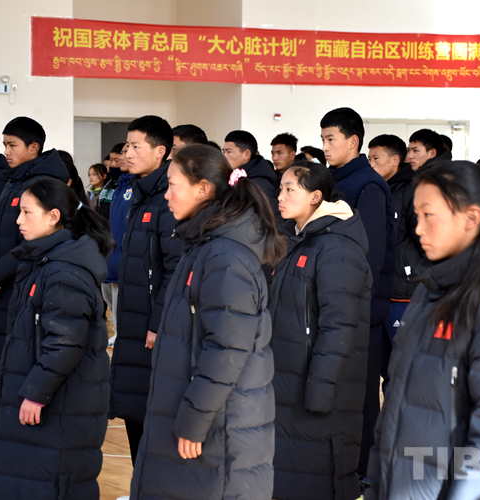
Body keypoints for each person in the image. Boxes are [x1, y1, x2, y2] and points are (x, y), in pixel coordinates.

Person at [366, 161, 480, 499]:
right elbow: (400, 402)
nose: (418, 228)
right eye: (416, 216)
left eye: (429, 215)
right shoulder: (433, 288)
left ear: (471, 217)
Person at [129, 144, 285, 500]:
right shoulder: (204, 244)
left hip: (219, 427)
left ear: (202, 189)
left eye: (173, 185)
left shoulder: (225, 256)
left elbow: (226, 348)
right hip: (206, 417)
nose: (166, 195)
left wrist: (195, 419)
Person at [0, 177, 114, 500]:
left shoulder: (64, 271)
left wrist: (37, 393)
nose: (19, 220)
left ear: (53, 217)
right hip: (36, 393)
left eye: (27, 212)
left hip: (57, 403)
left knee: (47, 482)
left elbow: (65, 341)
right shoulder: (42, 261)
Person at [271, 162, 371, 500]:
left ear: (315, 197)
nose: (280, 196)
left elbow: (339, 326)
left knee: (317, 478)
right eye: (281, 188)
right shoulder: (299, 241)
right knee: (291, 477)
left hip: (318, 391)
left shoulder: (337, 248)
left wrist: (320, 389)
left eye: (290, 190)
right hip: (291, 383)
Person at [320, 107, 395, 479]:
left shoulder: (367, 185)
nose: (325, 146)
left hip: (360, 305)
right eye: (322, 139)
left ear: (353, 141)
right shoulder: (337, 180)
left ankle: (367, 468)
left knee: (362, 391)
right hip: (338, 301)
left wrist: (353, 300)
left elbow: (371, 253)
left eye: (331, 139)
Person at [109, 115, 183, 467]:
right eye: (127, 145)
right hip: (134, 318)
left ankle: (154, 483)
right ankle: (142, 483)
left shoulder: (168, 196)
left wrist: (158, 321)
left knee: (153, 407)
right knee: (133, 404)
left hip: (154, 325)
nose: (127, 152)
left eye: (135, 146)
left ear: (160, 151)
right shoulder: (138, 191)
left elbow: (176, 267)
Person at [0, 116, 70, 380]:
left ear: (33, 148)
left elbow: (35, 243)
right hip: (6, 283)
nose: (6, 151)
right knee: (4, 370)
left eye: (12, 145)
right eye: (5, 144)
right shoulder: (13, 180)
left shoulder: (45, 184)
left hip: (27, 283)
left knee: (21, 368)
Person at [367, 134, 423, 389]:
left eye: (376, 158)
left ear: (395, 160)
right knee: (385, 365)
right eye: (369, 159)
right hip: (380, 291)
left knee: (403, 367)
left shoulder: (411, 191)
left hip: (404, 293)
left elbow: (424, 240)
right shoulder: (376, 190)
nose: (371, 164)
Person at [103, 143, 132, 345]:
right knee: (113, 301)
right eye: (122, 152)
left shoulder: (134, 187)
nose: (122, 157)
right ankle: (117, 332)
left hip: (125, 257)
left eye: (125, 152)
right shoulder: (118, 185)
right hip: (112, 254)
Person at [223, 130, 279, 215]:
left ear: (246, 155)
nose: (224, 156)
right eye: (223, 152)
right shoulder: (233, 177)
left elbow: (271, 217)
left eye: (229, 152)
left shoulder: (259, 185)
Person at [96, 143, 127, 220]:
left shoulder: (128, 184)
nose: (113, 164)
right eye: (111, 160)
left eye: (117, 160)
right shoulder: (108, 183)